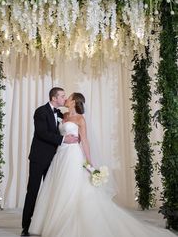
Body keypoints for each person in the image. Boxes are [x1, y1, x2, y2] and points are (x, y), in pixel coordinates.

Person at [29, 92, 176, 237]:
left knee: (72, 186)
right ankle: (52, 221)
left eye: (69, 97)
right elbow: (51, 132)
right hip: (60, 155)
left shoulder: (80, 119)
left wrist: (89, 163)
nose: (66, 99)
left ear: (74, 102)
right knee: (58, 187)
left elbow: (85, 142)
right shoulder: (64, 115)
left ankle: (68, 224)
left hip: (73, 155)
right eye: (64, 96)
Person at [21, 87, 78, 236]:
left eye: (65, 96)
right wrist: (64, 139)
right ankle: (26, 226)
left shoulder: (61, 114)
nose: (64, 99)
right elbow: (42, 133)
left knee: (50, 192)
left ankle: (44, 225)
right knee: (33, 191)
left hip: (55, 159)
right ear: (54, 98)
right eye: (62, 96)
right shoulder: (41, 111)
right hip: (39, 158)